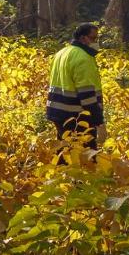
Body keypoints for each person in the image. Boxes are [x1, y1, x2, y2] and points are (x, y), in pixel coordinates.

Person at [46, 22, 105, 157]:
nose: (96, 42)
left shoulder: (61, 53)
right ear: (83, 38)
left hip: (58, 112)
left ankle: (61, 176)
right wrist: (99, 122)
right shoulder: (83, 58)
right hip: (76, 116)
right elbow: (87, 95)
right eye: (93, 38)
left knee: (64, 151)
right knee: (86, 155)